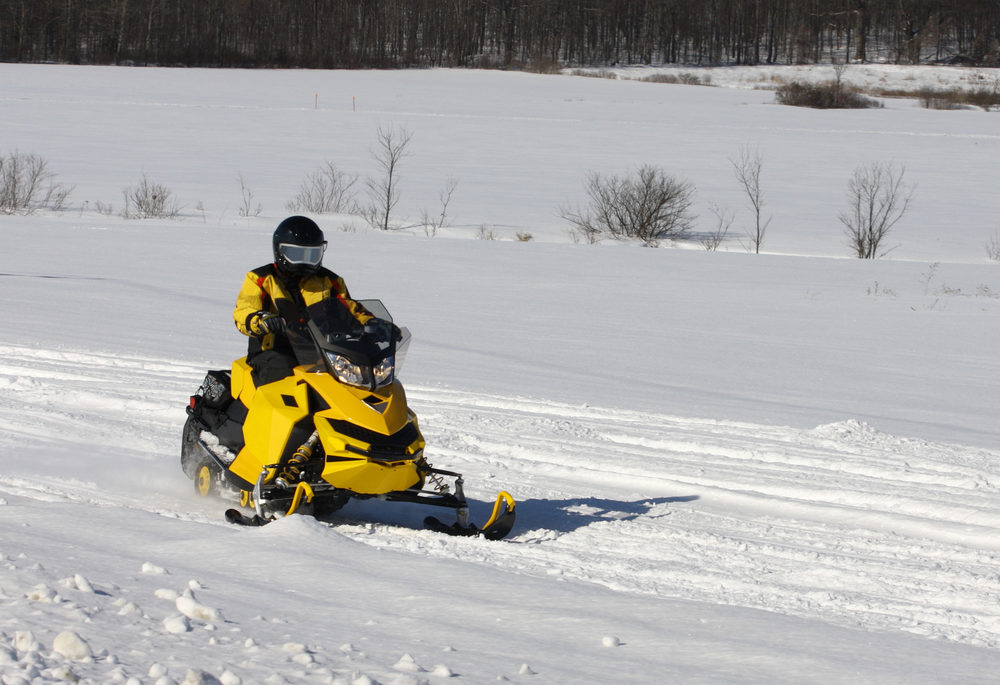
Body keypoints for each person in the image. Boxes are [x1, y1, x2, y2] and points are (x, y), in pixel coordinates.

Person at [234, 215, 373, 385]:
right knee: (282, 368)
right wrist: (262, 320)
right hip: (274, 351)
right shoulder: (261, 278)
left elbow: (350, 309)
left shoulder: (330, 281)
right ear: (280, 251)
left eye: (311, 254)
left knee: (358, 370)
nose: (305, 261)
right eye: (296, 254)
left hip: (322, 351)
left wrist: (373, 323)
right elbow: (245, 309)